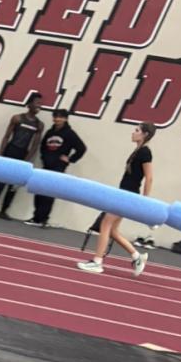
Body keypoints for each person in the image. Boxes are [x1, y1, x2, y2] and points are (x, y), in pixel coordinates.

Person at [77, 124, 155, 276]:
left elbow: (149, 177)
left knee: (105, 223)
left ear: (145, 134)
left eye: (137, 130)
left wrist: (145, 201)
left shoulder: (145, 152)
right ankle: (137, 257)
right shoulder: (138, 150)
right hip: (123, 193)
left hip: (128, 195)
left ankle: (97, 262)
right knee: (112, 230)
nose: (133, 132)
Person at [24, 109, 86, 228]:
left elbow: (81, 148)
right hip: (46, 166)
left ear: (65, 119)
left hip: (58, 167)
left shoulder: (70, 133)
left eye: (60, 117)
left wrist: (70, 159)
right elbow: (43, 146)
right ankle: (36, 217)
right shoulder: (50, 132)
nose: (57, 119)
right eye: (55, 116)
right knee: (39, 190)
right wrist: (44, 157)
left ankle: (42, 219)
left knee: (49, 193)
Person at [0, 92, 43, 219]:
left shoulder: (39, 125)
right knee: (0, 182)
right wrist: (1, 154)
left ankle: (4, 210)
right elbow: (6, 136)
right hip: (10, 151)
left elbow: (35, 145)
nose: (39, 106)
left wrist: (27, 161)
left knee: (14, 185)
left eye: (40, 104)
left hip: (22, 154)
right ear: (29, 104)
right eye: (37, 103)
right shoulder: (17, 118)